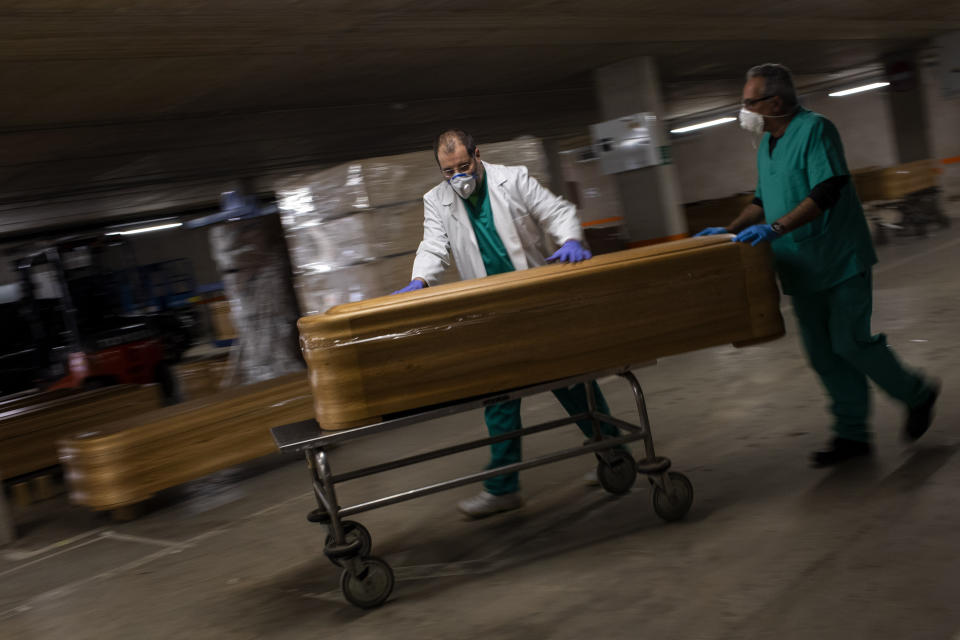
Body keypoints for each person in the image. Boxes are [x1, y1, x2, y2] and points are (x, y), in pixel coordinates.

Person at [695, 63, 939, 467]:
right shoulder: (768, 144)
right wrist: (729, 230)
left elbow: (827, 189)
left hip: (839, 258)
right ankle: (852, 435)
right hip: (799, 267)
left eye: (749, 102)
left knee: (850, 343)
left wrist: (777, 228)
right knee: (823, 354)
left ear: (774, 101)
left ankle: (918, 393)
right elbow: (761, 198)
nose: (744, 110)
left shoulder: (815, 129)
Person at [393, 129, 621, 517]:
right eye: (448, 171)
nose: (458, 177)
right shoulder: (437, 199)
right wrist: (421, 279)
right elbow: (434, 245)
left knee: (572, 384)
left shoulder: (513, 179)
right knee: (499, 395)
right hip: (491, 312)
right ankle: (503, 486)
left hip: (535, 304)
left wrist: (569, 239)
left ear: (478, 155)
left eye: (463, 166)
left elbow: (558, 211)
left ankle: (614, 457)